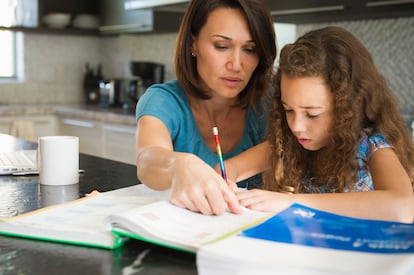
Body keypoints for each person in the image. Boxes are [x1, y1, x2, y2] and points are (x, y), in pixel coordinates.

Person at [224, 26, 414, 223]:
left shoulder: (371, 145)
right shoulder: (291, 143)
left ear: (347, 107)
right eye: (288, 109)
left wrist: (292, 202)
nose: (297, 126)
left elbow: (402, 206)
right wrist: (223, 181)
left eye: (312, 114)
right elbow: (230, 167)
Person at [135, 0, 277, 215]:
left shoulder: (271, 102)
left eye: (250, 49)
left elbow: (291, 149)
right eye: (221, 46)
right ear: (193, 44)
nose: (236, 65)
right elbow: (147, 160)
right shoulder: (164, 100)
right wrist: (179, 165)